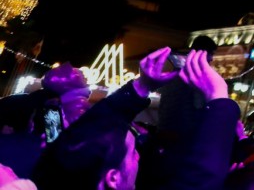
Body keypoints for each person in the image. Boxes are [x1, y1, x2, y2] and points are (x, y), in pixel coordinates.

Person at [31, 47, 240, 190]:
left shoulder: (53, 171)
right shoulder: (55, 112)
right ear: (113, 178)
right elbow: (198, 179)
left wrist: (142, 86)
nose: (139, 157)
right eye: (132, 153)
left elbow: (84, 135)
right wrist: (219, 98)